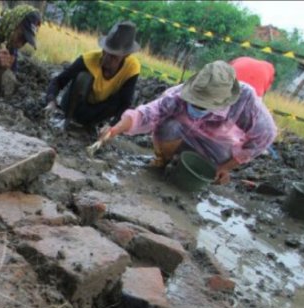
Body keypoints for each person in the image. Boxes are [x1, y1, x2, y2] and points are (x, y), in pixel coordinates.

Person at [98, 61, 278, 185]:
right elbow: (149, 112)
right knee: (167, 125)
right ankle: (165, 161)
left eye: (203, 104)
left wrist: (225, 168)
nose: (196, 106)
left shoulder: (245, 102)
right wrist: (115, 130)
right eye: (194, 101)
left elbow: (265, 136)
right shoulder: (182, 92)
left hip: (217, 148)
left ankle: (198, 173)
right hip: (183, 133)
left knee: (198, 176)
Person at [44, 21, 140, 129]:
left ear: (126, 55)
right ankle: (68, 119)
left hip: (98, 112)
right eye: (105, 52)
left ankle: (91, 125)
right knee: (83, 77)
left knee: (127, 97)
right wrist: (51, 101)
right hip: (74, 106)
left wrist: (112, 127)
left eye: (114, 57)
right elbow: (58, 81)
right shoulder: (88, 60)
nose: (107, 58)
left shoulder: (132, 67)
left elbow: (125, 103)